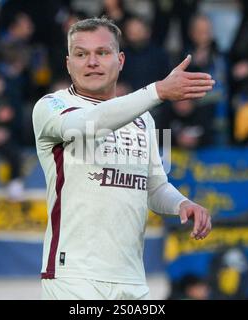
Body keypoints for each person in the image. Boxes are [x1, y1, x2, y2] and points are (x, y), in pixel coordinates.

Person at [32, 17, 214, 300]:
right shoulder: (52, 106)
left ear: (120, 60)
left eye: (102, 53)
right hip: (74, 277)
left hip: (131, 279)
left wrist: (182, 203)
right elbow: (88, 123)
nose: (92, 62)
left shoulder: (143, 118)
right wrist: (157, 91)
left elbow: (153, 186)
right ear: (69, 63)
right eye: (81, 54)